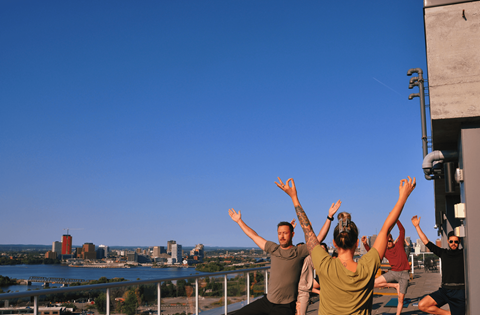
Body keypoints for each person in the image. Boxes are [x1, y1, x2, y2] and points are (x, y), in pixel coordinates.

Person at [276, 176, 415, 315]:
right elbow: (386, 229)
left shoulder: (324, 265)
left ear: (334, 243)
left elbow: (307, 230)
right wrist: (403, 197)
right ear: (357, 242)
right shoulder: (367, 266)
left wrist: (294, 197)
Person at [228, 200, 340, 315]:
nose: (282, 236)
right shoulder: (273, 248)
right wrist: (239, 221)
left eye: (285, 233)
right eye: (279, 233)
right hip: (267, 302)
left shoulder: (299, 251)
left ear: (292, 234)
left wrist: (329, 217)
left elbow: (319, 238)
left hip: (285, 307)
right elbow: (254, 236)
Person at [411, 215, 465, 315]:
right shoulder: (443, 253)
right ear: (448, 241)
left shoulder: (464, 253)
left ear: (459, 242)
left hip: (459, 292)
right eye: (451, 241)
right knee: (422, 305)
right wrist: (417, 226)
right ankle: (448, 314)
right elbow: (426, 242)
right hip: (444, 291)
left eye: (456, 241)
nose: (453, 243)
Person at [361, 220, 411, 315]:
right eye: (387, 241)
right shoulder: (385, 251)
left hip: (404, 274)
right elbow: (372, 253)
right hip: (393, 273)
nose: (389, 242)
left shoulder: (399, 244)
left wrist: (396, 219)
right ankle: (395, 286)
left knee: (401, 300)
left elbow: (402, 230)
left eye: (390, 240)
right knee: (372, 283)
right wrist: (365, 244)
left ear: (392, 240)